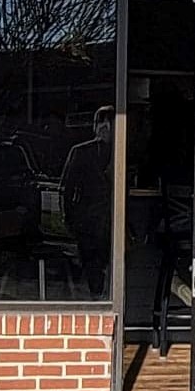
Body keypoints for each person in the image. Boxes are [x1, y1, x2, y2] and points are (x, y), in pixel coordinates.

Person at [60, 106, 115, 297]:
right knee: (95, 261)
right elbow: (67, 189)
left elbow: (66, 189)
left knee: (95, 262)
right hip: (92, 221)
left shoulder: (83, 152)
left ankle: (98, 295)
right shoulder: (84, 152)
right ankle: (99, 295)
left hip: (97, 220)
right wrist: (69, 216)